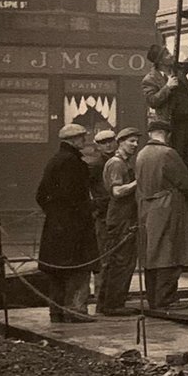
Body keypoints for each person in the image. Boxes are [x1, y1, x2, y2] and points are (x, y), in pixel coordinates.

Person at [36, 123, 97, 322]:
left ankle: (56, 312)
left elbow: (40, 195)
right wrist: (89, 209)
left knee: (56, 273)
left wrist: (55, 213)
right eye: (81, 137)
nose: (84, 140)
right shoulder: (73, 162)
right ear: (72, 140)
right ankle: (76, 311)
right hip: (75, 227)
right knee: (80, 269)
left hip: (55, 227)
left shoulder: (54, 161)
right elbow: (73, 196)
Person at [134, 120, 188, 311]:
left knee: (152, 254)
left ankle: (154, 299)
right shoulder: (168, 153)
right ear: (166, 134)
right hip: (168, 208)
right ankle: (166, 299)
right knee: (170, 252)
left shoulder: (141, 154)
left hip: (147, 208)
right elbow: (186, 183)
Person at [141, 43, 188, 162]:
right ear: (160, 61)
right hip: (171, 123)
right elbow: (152, 101)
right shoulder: (150, 79)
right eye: (167, 54)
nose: (171, 55)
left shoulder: (178, 69)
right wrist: (167, 87)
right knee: (175, 156)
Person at [98, 127, 140, 315]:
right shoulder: (117, 164)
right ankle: (113, 305)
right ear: (120, 142)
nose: (135, 145)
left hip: (123, 217)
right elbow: (117, 191)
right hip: (120, 218)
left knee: (118, 262)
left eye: (136, 141)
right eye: (131, 141)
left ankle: (108, 303)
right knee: (121, 261)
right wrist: (138, 182)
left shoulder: (123, 163)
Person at [87, 129, 117, 305]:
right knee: (104, 258)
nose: (108, 145)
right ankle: (101, 298)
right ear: (98, 146)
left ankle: (110, 297)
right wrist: (96, 206)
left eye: (110, 141)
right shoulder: (96, 165)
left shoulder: (118, 161)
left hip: (115, 213)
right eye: (103, 142)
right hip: (103, 214)